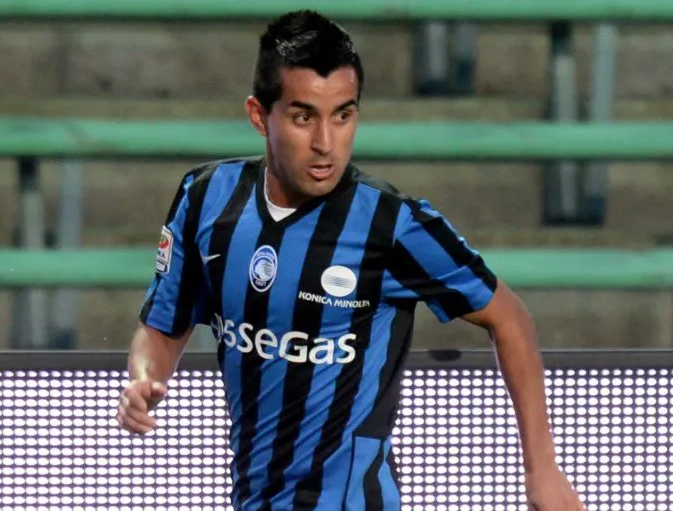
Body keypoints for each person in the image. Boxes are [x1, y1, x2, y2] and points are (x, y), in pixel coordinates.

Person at [116, 9, 585, 511]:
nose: (326, 143)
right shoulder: (206, 199)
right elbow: (164, 326)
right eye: (304, 117)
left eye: (343, 115)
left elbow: (510, 318)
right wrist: (143, 377)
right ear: (259, 116)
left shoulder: (392, 224)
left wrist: (541, 469)